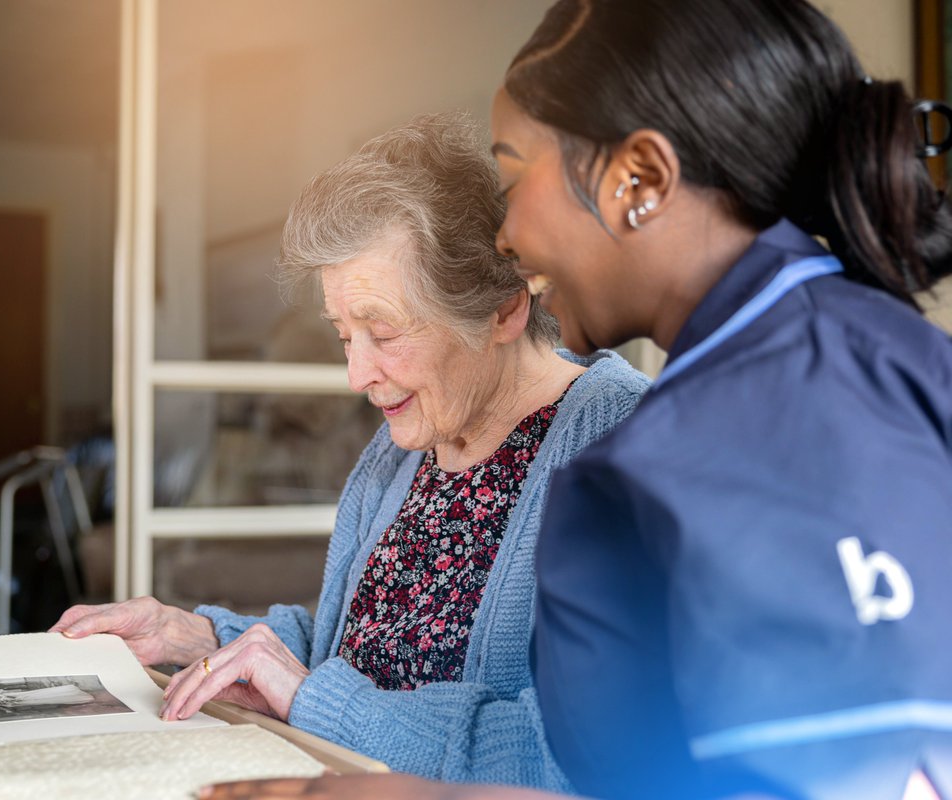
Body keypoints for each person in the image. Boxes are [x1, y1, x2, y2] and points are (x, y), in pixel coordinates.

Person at [198, 0, 952, 798]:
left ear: (640, 181)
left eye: (516, 178)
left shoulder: (669, 451)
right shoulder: (895, 357)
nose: (506, 236)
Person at [51, 112, 650, 789]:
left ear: (505, 310)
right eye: (344, 335)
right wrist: (199, 638)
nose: (356, 375)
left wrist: (316, 703)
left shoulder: (626, 446)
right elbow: (359, 652)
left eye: (383, 332)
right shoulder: (404, 448)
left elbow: (584, 759)